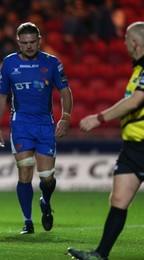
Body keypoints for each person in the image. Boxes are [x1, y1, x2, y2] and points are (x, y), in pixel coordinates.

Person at [67, 21, 144, 260]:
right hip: (133, 147)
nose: (124, 45)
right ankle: (100, 254)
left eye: (125, 40)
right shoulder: (138, 70)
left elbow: (135, 102)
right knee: (118, 199)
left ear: (134, 43)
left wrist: (99, 118)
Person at [0, 22, 73, 235]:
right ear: (18, 42)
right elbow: (1, 96)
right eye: (25, 43)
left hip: (44, 126)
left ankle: (45, 201)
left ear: (39, 40)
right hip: (20, 125)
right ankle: (27, 222)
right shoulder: (9, 64)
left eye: (33, 42)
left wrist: (65, 118)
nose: (29, 46)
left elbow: (65, 92)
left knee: (47, 177)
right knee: (25, 172)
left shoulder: (52, 63)